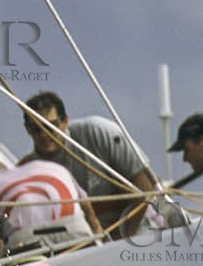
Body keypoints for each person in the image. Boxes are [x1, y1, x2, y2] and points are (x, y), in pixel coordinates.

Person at [19, 91, 161, 238]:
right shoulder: (27, 169)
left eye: (50, 126)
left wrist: (123, 239)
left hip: (136, 233)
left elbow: (144, 185)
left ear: (65, 121)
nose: (43, 134)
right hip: (80, 245)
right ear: (26, 129)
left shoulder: (98, 132)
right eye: (35, 129)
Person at [0, 156, 100, 257]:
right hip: (76, 229)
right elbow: (86, 205)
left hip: (26, 240)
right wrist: (99, 239)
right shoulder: (52, 167)